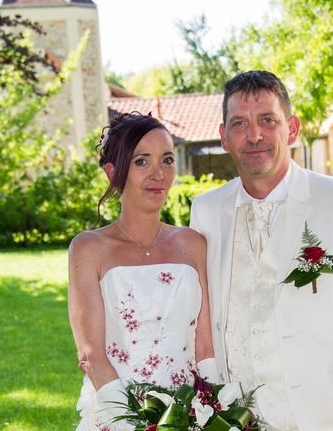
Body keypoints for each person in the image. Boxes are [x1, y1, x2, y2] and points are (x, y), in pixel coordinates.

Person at [190, 70, 333, 431]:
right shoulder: (205, 211)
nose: (253, 135)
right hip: (234, 421)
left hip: (324, 418)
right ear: (224, 137)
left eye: (267, 120)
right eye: (239, 123)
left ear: (293, 129)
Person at [68, 112, 216, 431]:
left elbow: (205, 347)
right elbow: (91, 353)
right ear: (113, 173)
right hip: (117, 414)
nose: (158, 174)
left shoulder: (193, 244)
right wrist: (135, 425)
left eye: (166, 160)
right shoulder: (88, 248)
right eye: (141, 162)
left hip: (189, 415)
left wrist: (216, 412)